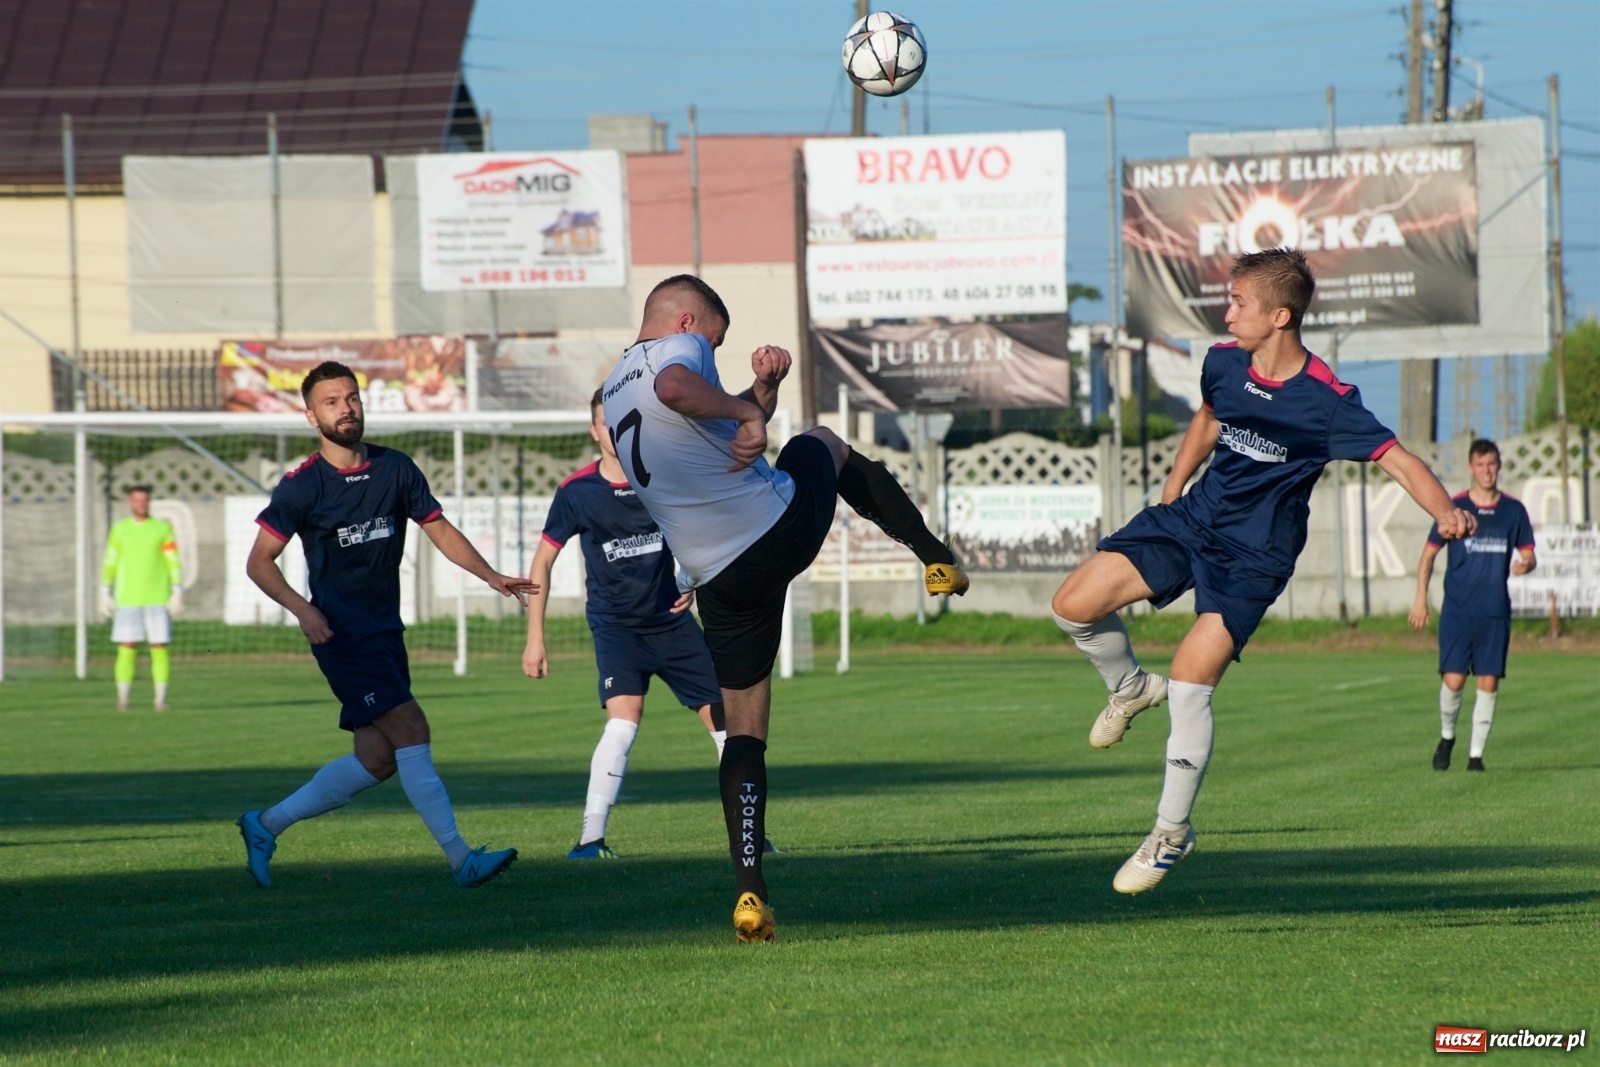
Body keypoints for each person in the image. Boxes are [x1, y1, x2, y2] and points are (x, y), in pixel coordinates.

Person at [1051, 248, 1475, 896]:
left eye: (1239, 303)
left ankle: (1171, 831)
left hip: (1254, 558)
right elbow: (1207, 419)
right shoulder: (1223, 363)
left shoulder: (1327, 403)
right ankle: (1131, 686)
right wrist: (1172, 492)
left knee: (1192, 682)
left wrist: (1446, 509)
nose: (1228, 313)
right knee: (1072, 604)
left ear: (1279, 316)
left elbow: (1400, 460)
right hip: (1192, 519)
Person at [599, 274, 968, 941]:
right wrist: (748, 414)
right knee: (822, 440)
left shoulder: (618, 376)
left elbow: (702, 419)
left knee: (744, 730)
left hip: (719, 581)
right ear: (686, 323)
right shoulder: (671, 358)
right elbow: (680, 390)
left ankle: (750, 894)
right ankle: (934, 555)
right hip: (772, 529)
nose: (713, 351)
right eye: (714, 340)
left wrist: (759, 393)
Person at [236, 361, 534, 890]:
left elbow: (438, 529)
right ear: (311, 416)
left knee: (377, 760)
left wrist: (489, 576)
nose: (345, 408)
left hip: (384, 630)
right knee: (413, 730)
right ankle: (462, 859)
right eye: (331, 401)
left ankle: (265, 825)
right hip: (342, 635)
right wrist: (304, 611)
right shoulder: (302, 488)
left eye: (351, 397)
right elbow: (259, 562)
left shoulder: (395, 468)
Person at [525, 389, 773, 860]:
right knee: (623, 722)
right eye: (604, 423)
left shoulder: (660, 477)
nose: (612, 431)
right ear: (594, 431)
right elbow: (542, 564)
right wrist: (535, 638)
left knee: (727, 724)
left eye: (619, 421)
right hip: (617, 628)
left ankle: (751, 837)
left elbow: (706, 531)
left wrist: (695, 581)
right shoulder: (577, 492)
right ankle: (590, 840)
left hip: (674, 624)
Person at [1408, 438, 1535, 772]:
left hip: (1494, 611)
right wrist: (1420, 598)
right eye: (1480, 465)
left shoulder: (1513, 511)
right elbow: (1429, 555)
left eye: (1491, 464)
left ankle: (1476, 756)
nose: (1487, 471)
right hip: (1458, 610)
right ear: (1470, 468)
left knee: (1488, 682)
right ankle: (1447, 736)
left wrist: (1526, 564)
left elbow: (1529, 553)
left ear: (1499, 466)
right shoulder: (1454, 509)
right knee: (1454, 681)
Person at [98, 485, 184, 712]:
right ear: (130, 502)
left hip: (157, 597)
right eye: (137, 501)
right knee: (127, 647)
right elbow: (111, 560)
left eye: (144, 501)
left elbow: (171, 558)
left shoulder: (162, 529)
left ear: (149, 502)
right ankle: (123, 700)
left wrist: (177, 589)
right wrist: (104, 589)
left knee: (159, 647)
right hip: (127, 598)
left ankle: (160, 699)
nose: (141, 505)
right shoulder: (120, 529)